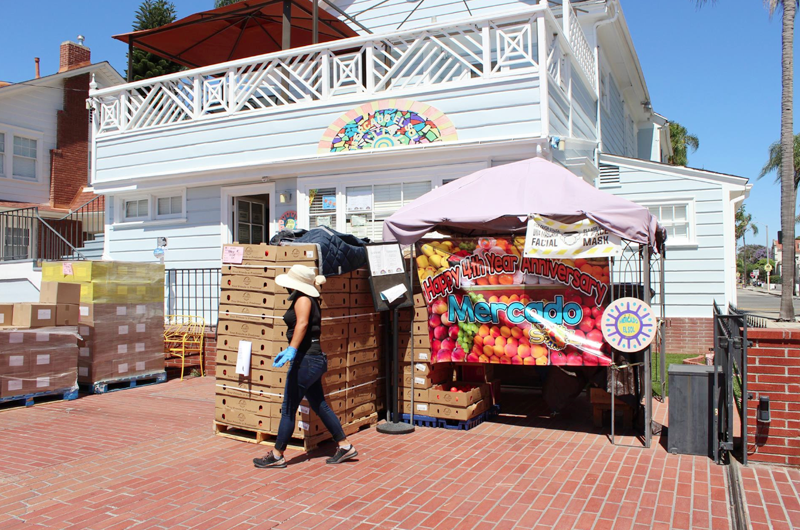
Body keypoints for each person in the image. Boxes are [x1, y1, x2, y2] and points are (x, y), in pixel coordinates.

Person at [253, 264, 357, 468]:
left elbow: (301, 324)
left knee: (289, 408)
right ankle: (345, 446)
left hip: (306, 360)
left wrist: (291, 349)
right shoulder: (309, 298)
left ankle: (277, 455)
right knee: (319, 404)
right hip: (313, 359)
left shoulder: (302, 299)